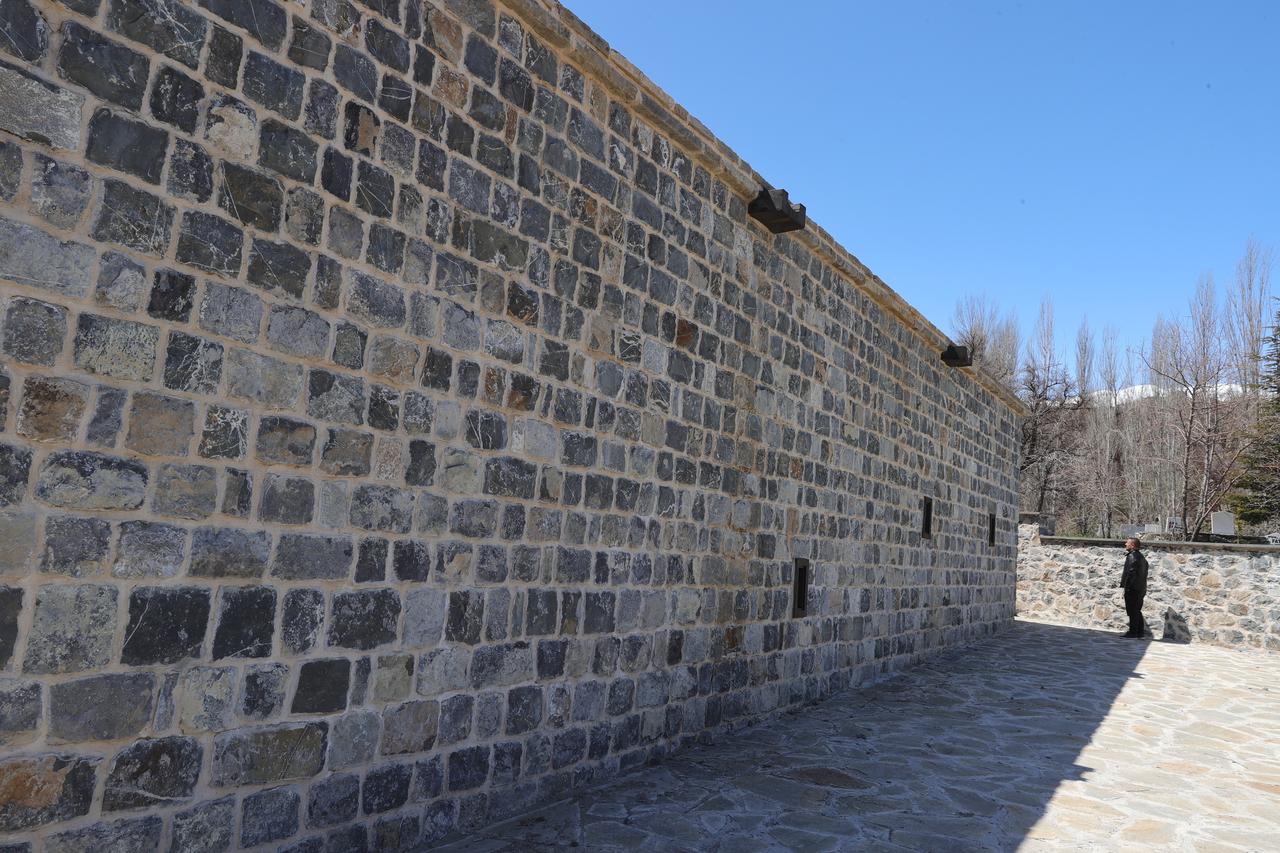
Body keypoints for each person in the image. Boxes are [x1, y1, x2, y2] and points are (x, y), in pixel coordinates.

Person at [1118, 537, 1149, 638]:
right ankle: (1139, 632)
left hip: (1133, 589)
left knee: (1132, 610)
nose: (1125, 544)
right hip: (1141, 588)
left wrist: (1127, 587)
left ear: (1132, 545)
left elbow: (1130, 573)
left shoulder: (1132, 556)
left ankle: (1133, 632)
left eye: (1127, 543)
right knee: (1137, 610)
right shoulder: (1142, 557)